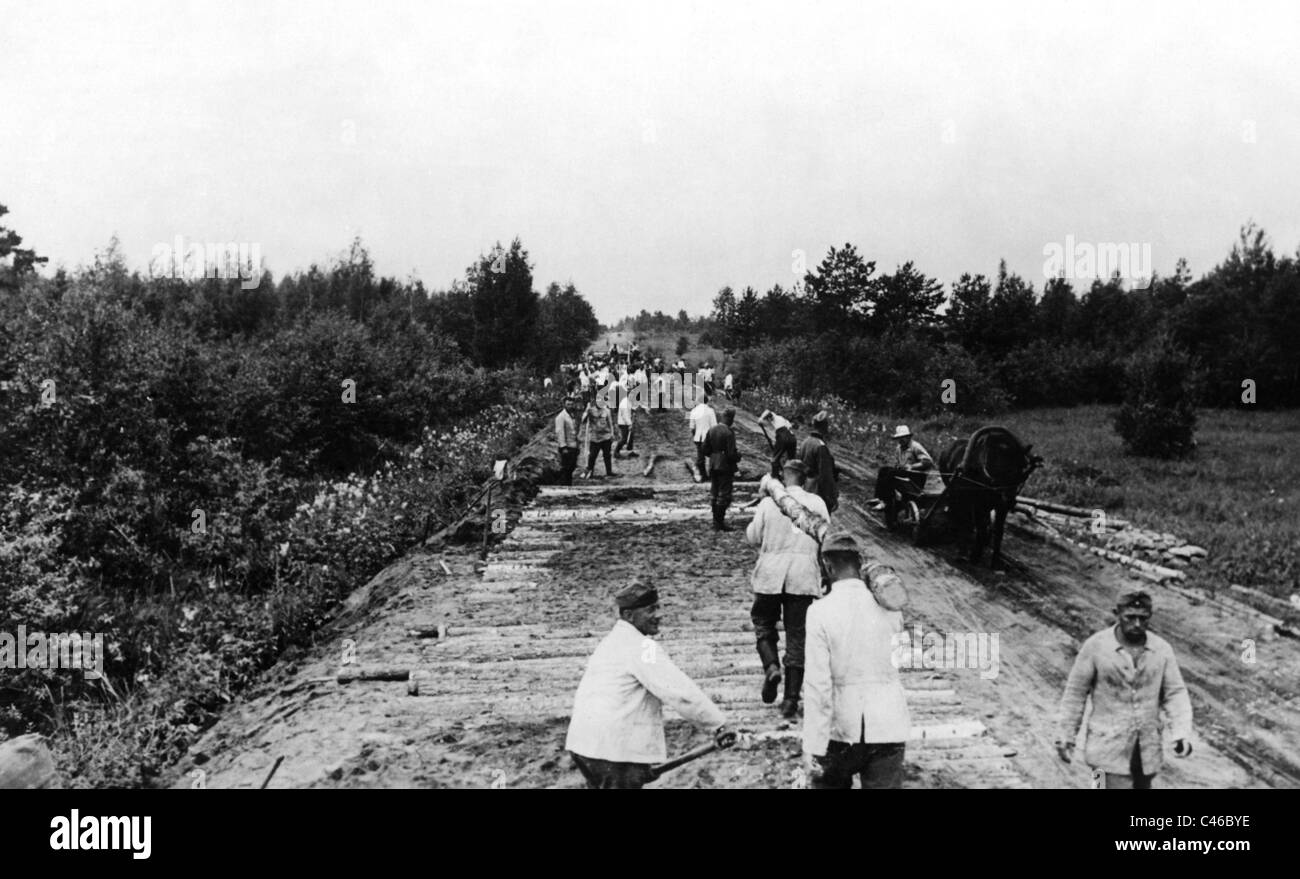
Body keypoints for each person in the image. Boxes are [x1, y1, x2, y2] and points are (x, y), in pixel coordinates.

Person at [565, 580, 737, 789]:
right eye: (650, 610)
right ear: (629, 615)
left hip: (585, 745)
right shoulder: (641, 647)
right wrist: (718, 724)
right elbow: (680, 693)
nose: (658, 615)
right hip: (614, 752)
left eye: (658, 608)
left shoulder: (611, 642)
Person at [1055, 586, 1194, 790]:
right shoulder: (1096, 646)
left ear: (1149, 617)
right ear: (1117, 614)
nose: (1137, 624)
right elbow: (1075, 693)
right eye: (1130, 617)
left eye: (1143, 618)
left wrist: (1181, 733)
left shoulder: (1161, 650)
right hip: (1105, 750)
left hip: (1146, 752)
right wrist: (1066, 735)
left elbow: (1175, 693)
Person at [803, 531, 910, 789]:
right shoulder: (890, 607)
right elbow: (903, 660)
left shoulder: (819, 612)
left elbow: (818, 685)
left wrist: (813, 745)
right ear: (860, 562)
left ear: (827, 565)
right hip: (889, 723)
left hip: (842, 729)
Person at [746, 459, 827, 718]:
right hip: (802, 577)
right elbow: (826, 538)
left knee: (763, 621)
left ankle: (771, 667)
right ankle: (791, 699)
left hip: (771, 573)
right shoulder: (818, 504)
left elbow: (753, 537)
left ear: (783, 476)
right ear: (805, 479)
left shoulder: (769, 502)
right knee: (798, 636)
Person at [871, 425, 936, 527]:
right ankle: (880, 498)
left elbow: (928, 462)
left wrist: (912, 466)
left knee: (891, 473)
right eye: (899, 438)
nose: (901, 440)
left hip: (915, 476)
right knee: (883, 470)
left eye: (903, 437)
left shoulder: (915, 446)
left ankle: (884, 501)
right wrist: (899, 467)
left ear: (908, 437)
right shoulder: (899, 448)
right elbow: (897, 463)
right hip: (904, 474)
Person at [702, 407, 742, 531]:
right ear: (729, 418)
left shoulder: (712, 430)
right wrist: (738, 456)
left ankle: (715, 522)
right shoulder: (729, 433)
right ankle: (720, 523)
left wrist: (714, 455)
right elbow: (731, 454)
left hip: (713, 464)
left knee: (714, 492)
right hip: (725, 466)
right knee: (724, 494)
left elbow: (704, 449)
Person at [799, 410, 839, 514]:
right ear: (824, 426)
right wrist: (831, 497)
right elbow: (825, 476)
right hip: (817, 492)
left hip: (805, 488)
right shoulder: (821, 446)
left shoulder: (805, 442)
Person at [580, 392, 616, 479]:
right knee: (592, 456)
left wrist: (612, 433)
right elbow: (583, 421)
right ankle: (590, 471)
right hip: (595, 438)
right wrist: (586, 411)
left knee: (607, 455)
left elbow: (610, 423)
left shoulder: (607, 411)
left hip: (606, 437)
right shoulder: (591, 410)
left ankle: (609, 472)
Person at [688, 393, 718, 481]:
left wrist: (695, 435)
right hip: (708, 436)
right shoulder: (710, 410)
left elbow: (692, 427)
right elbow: (714, 426)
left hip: (698, 436)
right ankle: (712, 475)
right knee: (712, 455)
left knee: (700, 457)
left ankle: (703, 476)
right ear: (706, 401)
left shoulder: (694, 411)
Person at [760, 409, 798, 478]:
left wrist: (760, 421)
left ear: (769, 418)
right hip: (792, 438)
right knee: (791, 460)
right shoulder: (780, 418)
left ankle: (775, 477)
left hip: (782, 435)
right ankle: (792, 477)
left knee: (775, 458)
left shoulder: (773, 418)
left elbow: (764, 417)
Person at [555, 396, 580, 485]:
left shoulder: (572, 416)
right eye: (568, 404)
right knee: (566, 467)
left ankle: (568, 484)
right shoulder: (561, 417)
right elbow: (560, 432)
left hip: (573, 445)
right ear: (564, 405)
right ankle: (564, 485)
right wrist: (563, 447)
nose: (570, 406)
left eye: (572, 404)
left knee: (572, 467)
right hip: (567, 447)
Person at [613, 385, 637, 458]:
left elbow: (632, 410)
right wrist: (630, 424)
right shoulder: (624, 403)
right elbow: (625, 416)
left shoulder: (629, 401)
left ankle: (630, 451)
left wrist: (633, 412)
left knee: (631, 437)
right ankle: (616, 452)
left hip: (627, 421)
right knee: (624, 439)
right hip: (623, 423)